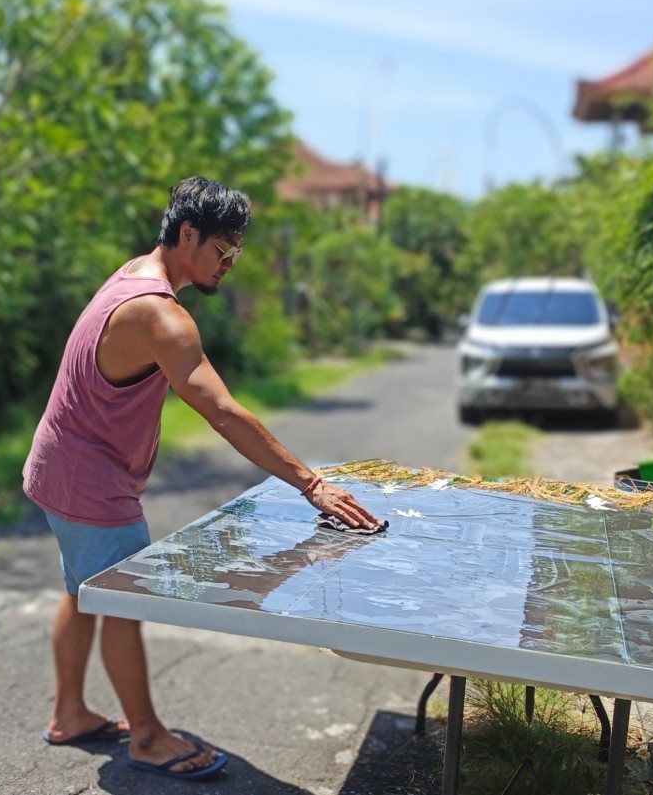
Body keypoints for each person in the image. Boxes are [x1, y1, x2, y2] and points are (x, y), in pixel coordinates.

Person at [23, 176, 383, 782]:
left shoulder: (136, 272)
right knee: (120, 602)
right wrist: (310, 484)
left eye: (235, 253)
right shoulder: (163, 317)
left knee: (82, 590)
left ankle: (69, 714)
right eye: (222, 250)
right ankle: (146, 737)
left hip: (59, 463)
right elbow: (222, 411)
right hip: (89, 481)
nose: (229, 265)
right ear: (188, 235)